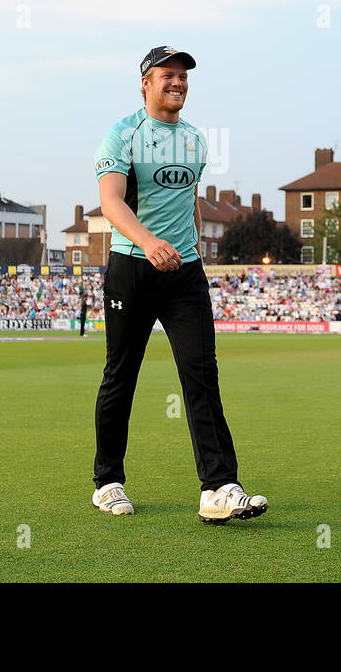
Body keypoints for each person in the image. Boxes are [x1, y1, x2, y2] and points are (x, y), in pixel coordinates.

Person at [90, 47, 267, 524]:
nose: (178, 82)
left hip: (184, 273)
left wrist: (192, 257)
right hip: (132, 266)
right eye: (167, 75)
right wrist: (148, 242)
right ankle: (108, 482)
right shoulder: (122, 134)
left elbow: (188, 201)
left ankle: (219, 487)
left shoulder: (194, 141)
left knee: (202, 375)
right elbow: (111, 202)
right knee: (121, 375)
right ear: (145, 83)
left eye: (183, 76)